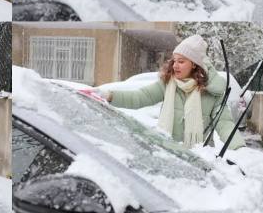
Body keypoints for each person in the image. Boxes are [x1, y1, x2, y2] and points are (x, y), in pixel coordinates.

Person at [98, 35, 245, 150]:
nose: (175, 66)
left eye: (181, 61)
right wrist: (110, 96)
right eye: (174, 61)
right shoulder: (168, 84)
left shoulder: (211, 92)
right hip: (167, 154)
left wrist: (239, 148)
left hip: (200, 158)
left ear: (194, 64)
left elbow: (225, 123)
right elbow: (140, 97)